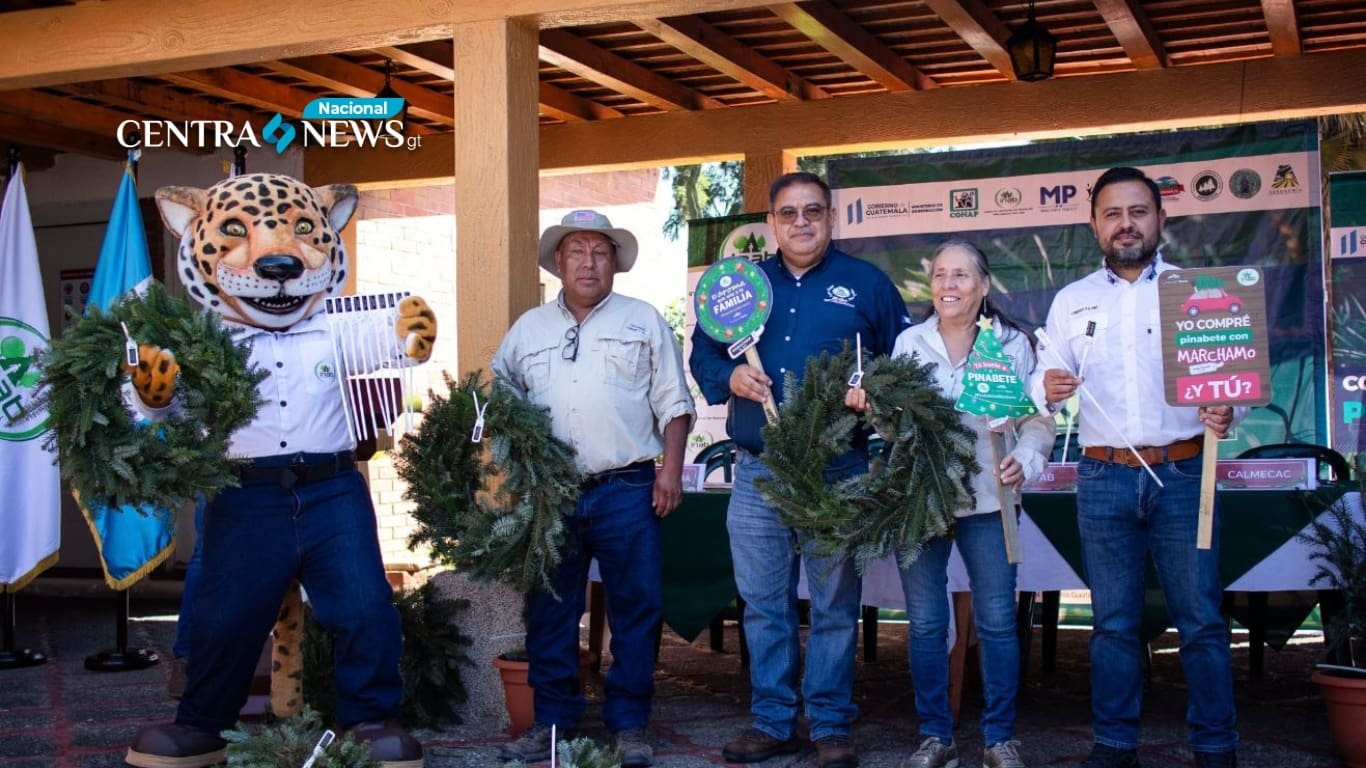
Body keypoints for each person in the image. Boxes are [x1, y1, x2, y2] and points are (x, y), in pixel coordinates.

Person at [689, 172, 911, 768]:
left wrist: (876, 390)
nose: (802, 222)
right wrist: (727, 377)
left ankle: (832, 726)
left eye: (814, 211)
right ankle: (772, 722)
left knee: (836, 606)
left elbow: (906, 362)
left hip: (838, 470)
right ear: (771, 221)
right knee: (764, 605)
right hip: (759, 472)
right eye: (788, 213)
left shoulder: (867, 285)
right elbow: (704, 352)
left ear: (832, 218)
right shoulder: (741, 285)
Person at [1033, 167, 1240, 768]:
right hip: (1102, 478)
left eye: (1138, 211)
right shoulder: (1072, 301)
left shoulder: (1198, 291)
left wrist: (1228, 408)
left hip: (1184, 474)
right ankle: (1115, 746)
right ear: (1094, 225)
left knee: (1200, 619)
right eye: (1113, 213)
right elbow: (1036, 385)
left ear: (1160, 220)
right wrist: (1045, 384)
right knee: (1113, 624)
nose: (1126, 223)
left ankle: (1215, 746)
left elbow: (1233, 380)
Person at [492, 210, 696, 768]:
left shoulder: (643, 320)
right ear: (558, 262)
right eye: (576, 251)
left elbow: (674, 402)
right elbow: (499, 404)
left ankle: (629, 723)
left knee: (636, 607)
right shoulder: (527, 330)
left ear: (615, 264)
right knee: (549, 609)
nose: (588, 261)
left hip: (628, 487)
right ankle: (553, 723)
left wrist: (670, 471)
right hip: (550, 493)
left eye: (600, 252)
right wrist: (517, 474)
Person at [845, 238, 1052, 768]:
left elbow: (1037, 422)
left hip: (990, 500)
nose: (949, 285)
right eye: (940, 275)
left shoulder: (1012, 344)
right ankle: (935, 736)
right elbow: (894, 429)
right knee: (928, 624)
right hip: (922, 502)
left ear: (983, 286)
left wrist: (1025, 462)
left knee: (998, 622)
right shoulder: (910, 342)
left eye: (961, 275)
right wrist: (873, 406)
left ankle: (999, 738)